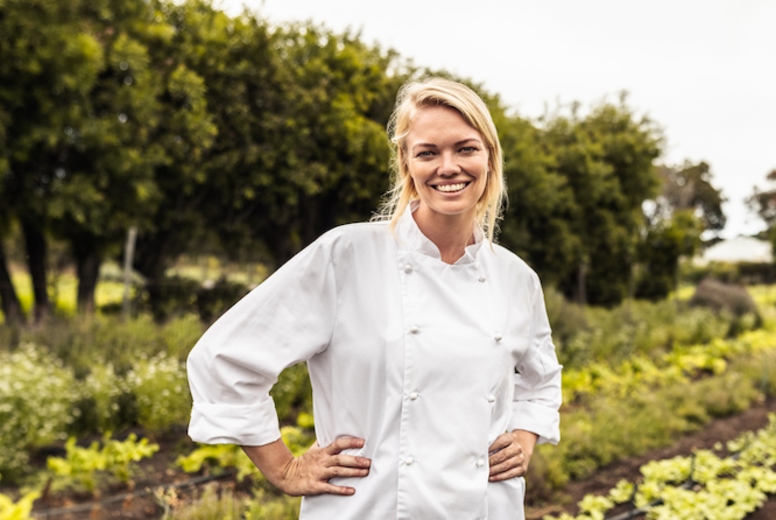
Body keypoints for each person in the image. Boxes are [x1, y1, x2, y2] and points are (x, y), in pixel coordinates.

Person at [187, 77, 562, 519]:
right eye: (428, 152)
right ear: (406, 163)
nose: (448, 166)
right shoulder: (346, 255)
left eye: (465, 148)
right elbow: (223, 358)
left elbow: (541, 383)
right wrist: (285, 469)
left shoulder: (516, 278)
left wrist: (524, 438)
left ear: (489, 157)